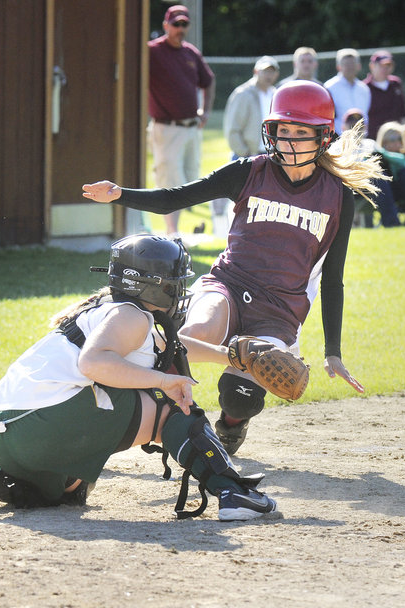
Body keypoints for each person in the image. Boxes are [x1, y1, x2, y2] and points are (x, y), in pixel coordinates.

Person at [83, 81, 386, 455]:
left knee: (239, 397)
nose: (289, 140)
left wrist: (333, 351)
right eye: (283, 130)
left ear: (323, 137)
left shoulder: (337, 196)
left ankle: (230, 425)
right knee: (193, 335)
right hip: (229, 284)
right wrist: (120, 194)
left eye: (300, 132)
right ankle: (154, 415)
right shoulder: (249, 172)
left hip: (279, 311)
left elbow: (333, 280)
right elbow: (176, 198)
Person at [0, 234, 278, 521]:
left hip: (3, 433)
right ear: (155, 284)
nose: (181, 290)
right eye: (176, 282)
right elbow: (93, 362)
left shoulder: (116, 310)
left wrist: (234, 356)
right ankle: (233, 493)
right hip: (40, 426)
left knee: (68, 493)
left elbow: (172, 348)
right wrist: (162, 382)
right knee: (175, 409)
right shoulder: (130, 316)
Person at [147, 4, 215, 236]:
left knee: (190, 180)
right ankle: (171, 233)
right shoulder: (153, 51)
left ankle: (174, 232)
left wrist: (205, 111)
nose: (180, 28)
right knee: (170, 180)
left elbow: (209, 81)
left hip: (190, 128)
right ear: (166, 25)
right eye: (176, 24)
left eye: (184, 24)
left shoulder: (190, 53)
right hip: (166, 128)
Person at [223, 55, 279, 159]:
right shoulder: (243, 94)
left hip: (270, 155)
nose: (269, 75)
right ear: (256, 72)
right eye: (265, 71)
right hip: (247, 156)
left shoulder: (276, 94)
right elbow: (232, 128)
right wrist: (245, 153)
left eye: (272, 72)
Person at [372, 121, 405, 226]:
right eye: (393, 139)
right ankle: (392, 223)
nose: (398, 143)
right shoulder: (376, 156)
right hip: (382, 194)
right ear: (383, 142)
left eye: (400, 139)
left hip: (401, 192)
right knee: (379, 177)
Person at [325, 48, 371, 136]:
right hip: (337, 138)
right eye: (346, 64)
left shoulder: (364, 89)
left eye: (352, 63)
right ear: (338, 67)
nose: (350, 67)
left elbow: (365, 115)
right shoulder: (329, 87)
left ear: (359, 66)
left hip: (361, 139)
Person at [364, 50, 405, 141]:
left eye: (388, 65)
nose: (385, 69)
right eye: (381, 66)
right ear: (372, 66)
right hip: (373, 139)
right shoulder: (364, 87)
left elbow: (403, 112)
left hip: (395, 139)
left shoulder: (396, 84)